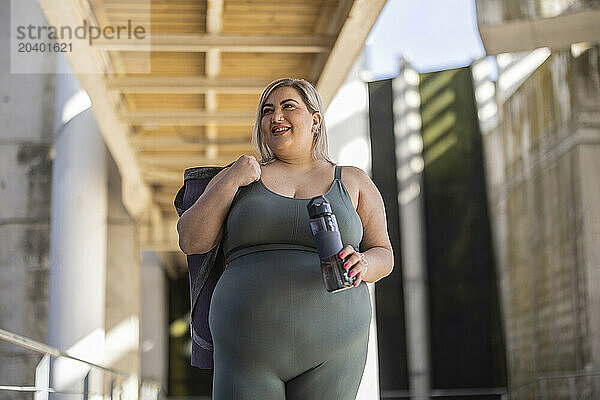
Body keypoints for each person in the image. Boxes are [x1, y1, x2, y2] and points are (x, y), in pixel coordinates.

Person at [177, 77, 394, 399]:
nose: (275, 116)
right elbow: (191, 239)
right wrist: (231, 178)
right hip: (245, 344)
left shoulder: (352, 180)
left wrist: (363, 262)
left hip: (335, 345)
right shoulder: (240, 177)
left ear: (315, 120)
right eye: (267, 111)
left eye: (288, 106)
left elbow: (384, 254)